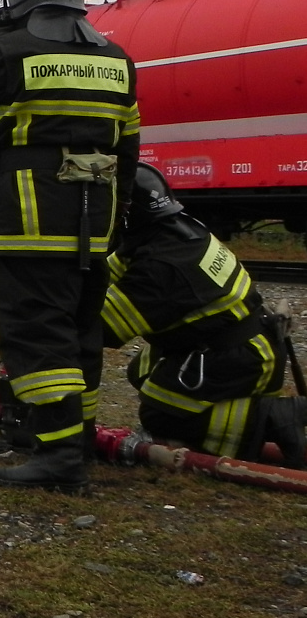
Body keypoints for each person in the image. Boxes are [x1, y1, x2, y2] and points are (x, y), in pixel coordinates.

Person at [0, 0, 139, 492]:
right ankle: (79, 437)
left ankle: (58, 453)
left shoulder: (8, 51)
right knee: (79, 333)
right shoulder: (117, 59)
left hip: (30, 215)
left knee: (36, 335)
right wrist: (118, 222)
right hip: (96, 219)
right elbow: (129, 146)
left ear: (20, 3)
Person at [103, 164, 306, 465]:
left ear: (124, 214)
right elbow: (109, 272)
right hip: (241, 345)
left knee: (158, 415)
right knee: (141, 372)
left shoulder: (161, 268)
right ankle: (245, 415)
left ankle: (272, 418)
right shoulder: (176, 229)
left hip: (239, 359)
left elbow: (101, 329)